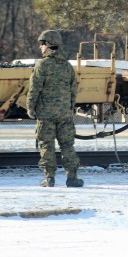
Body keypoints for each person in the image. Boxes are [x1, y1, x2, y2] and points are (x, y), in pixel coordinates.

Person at [27, 30, 84, 187]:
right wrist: (69, 108)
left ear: (49, 45)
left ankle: (49, 178)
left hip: (45, 114)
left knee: (46, 145)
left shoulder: (42, 65)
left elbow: (34, 88)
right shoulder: (67, 66)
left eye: (42, 44)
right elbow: (73, 91)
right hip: (64, 115)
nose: (41, 47)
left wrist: (30, 107)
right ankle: (72, 178)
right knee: (67, 146)